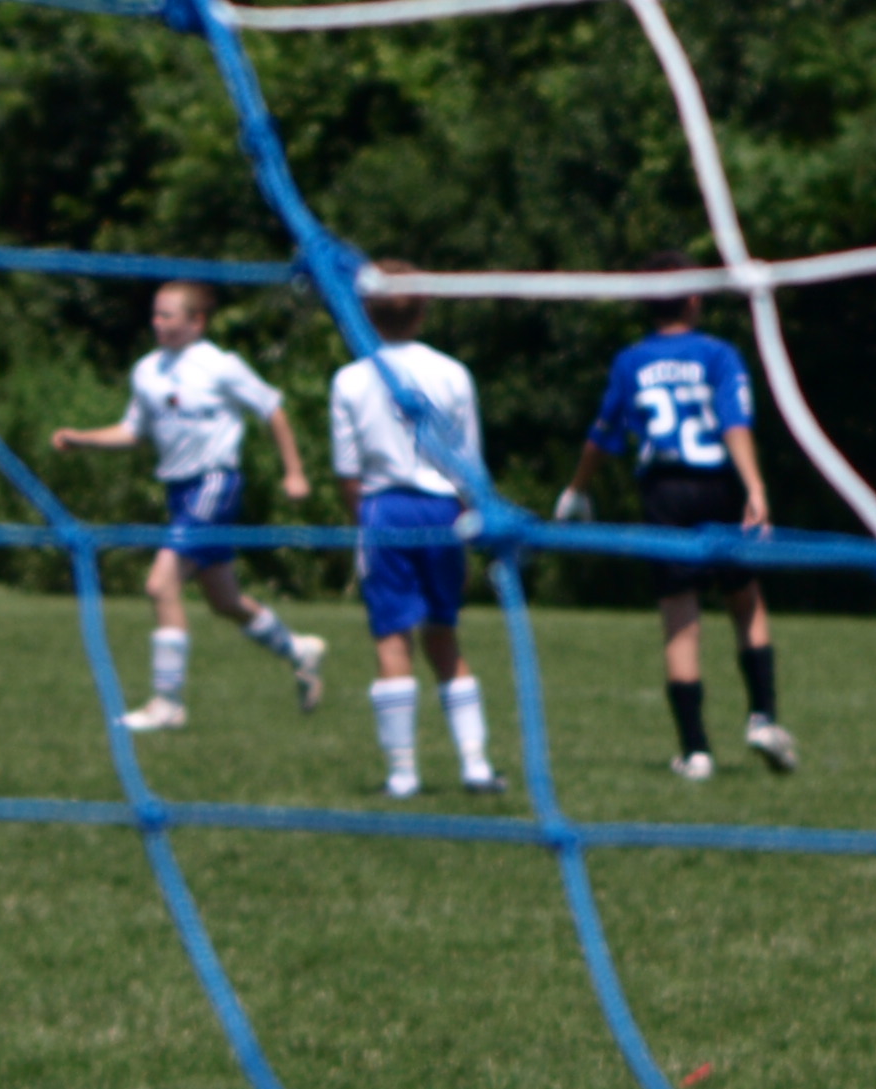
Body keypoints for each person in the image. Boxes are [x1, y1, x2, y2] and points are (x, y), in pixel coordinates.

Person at [50, 281, 327, 731]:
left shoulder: (220, 367)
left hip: (215, 483)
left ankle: (168, 704)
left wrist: (294, 472)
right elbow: (133, 432)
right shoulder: (147, 371)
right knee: (224, 599)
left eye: (169, 315)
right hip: (179, 490)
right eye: (156, 315)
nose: (159, 323)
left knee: (161, 585)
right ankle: (298, 650)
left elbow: (272, 409)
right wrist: (82, 439)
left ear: (197, 321)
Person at [554, 268, 795, 784]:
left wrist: (578, 488)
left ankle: (696, 751)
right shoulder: (717, 354)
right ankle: (763, 718)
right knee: (745, 600)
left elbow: (602, 434)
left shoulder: (631, 360)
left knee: (680, 621)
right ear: (690, 298)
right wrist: (754, 486)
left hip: (663, 491)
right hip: (717, 485)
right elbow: (735, 421)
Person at [329, 273, 498, 799]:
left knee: (391, 637)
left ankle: (403, 775)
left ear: (367, 314)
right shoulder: (452, 373)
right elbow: (470, 462)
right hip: (443, 510)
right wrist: (472, 520)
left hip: (384, 509)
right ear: (423, 310)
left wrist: (363, 521)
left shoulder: (352, 379)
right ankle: (476, 765)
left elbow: (346, 471)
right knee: (444, 631)